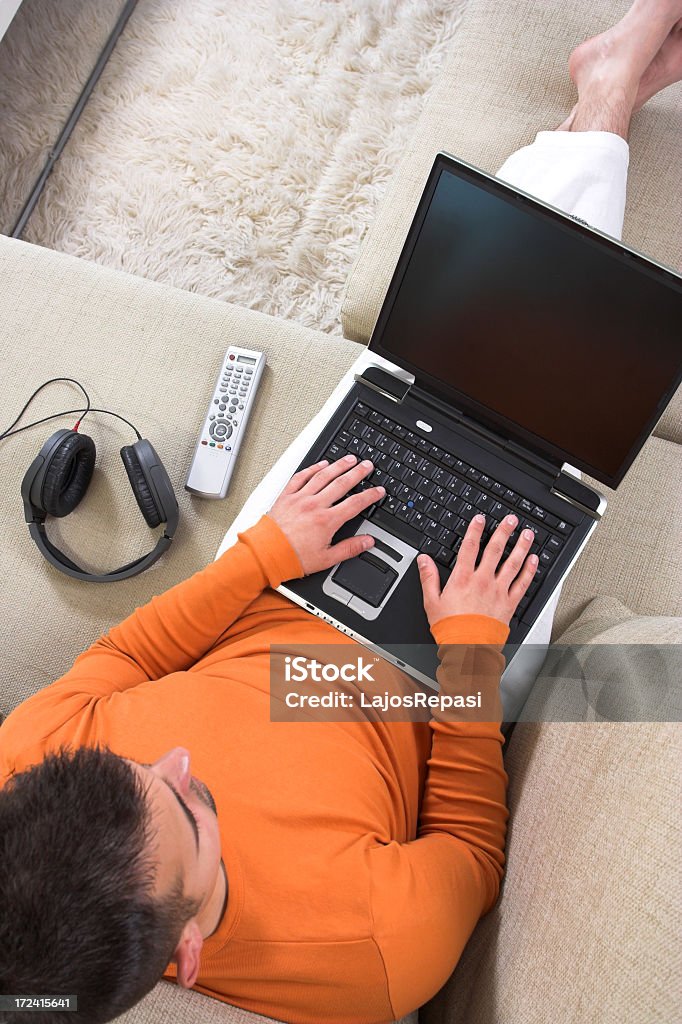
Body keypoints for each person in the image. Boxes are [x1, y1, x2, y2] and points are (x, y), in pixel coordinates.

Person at [1, 3, 680, 1022]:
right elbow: (466, 844)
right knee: (526, 405)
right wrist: (467, 652)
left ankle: (602, 98)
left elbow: (133, 659)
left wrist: (265, 553)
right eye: (189, 806)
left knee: (419, 377)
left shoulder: (31, 774)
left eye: (142, 766)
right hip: (437, 658)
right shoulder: (372, 959)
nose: (179, 762)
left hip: (279, 572)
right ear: (187, 952)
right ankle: (605, 95)